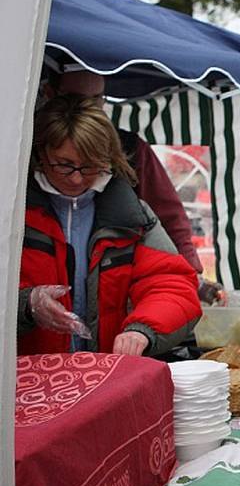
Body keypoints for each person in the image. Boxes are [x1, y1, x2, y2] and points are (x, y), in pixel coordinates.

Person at [18, 94, 202, 356]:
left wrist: (142, 330)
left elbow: (172, 284)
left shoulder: (132, 217)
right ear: (40, 154)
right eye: (64, 165)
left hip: (104, 373)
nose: (77, 179)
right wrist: (25, 304)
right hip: (22, 379)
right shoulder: (12, 215)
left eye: (90, 166)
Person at [44, 69, 224, 304]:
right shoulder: (22, 150)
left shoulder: (130, 149)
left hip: (115, 298)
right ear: (49, 94)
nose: (77, 179)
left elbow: (169, 218)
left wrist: (192, 277)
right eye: (76, 100)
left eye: (96, 99)